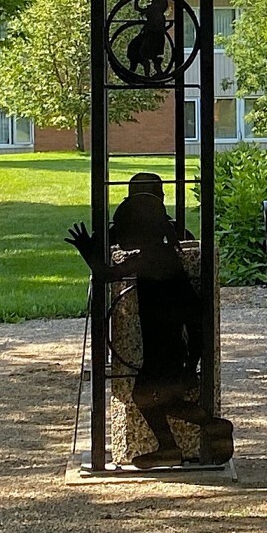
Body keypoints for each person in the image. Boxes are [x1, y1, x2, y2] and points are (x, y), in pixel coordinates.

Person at [67, 172, 234, 467]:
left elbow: (108, 275)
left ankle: (205, 427)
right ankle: (180, 441)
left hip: (165, 341)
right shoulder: (158, 251)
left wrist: (88, 253)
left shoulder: (151, 257)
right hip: (164, 339)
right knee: (150, 396)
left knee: (146, 396)